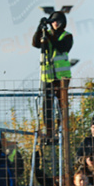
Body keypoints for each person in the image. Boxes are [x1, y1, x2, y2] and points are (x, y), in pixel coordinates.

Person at [31, 10, 73, 142]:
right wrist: (40, 28)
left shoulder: (67, 36)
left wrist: (48, 36)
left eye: (58, 21)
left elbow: (60, 47)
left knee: (62, 104)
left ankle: (62, 129)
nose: (56, 24)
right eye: (53, 21)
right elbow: (35, 43)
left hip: (62, 77)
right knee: (47, 105)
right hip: (47, 76)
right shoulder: (46, 35)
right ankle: (49, 131)